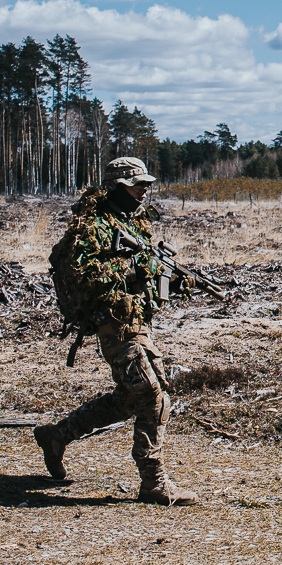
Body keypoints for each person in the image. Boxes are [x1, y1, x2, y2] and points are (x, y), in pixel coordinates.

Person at [34, 157, 197, 504]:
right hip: (114, 324)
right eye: (138, 186)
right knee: (153, 396)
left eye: (146, 186)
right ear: (119, 186)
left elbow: (147, 281)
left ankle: (57, 436)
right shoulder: (93, 225)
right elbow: (87, 275)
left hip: (138, 322)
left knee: (129, 399)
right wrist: (140, 268)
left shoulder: (133, 222)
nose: (144, 191)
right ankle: (153, 482)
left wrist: (168, 280)